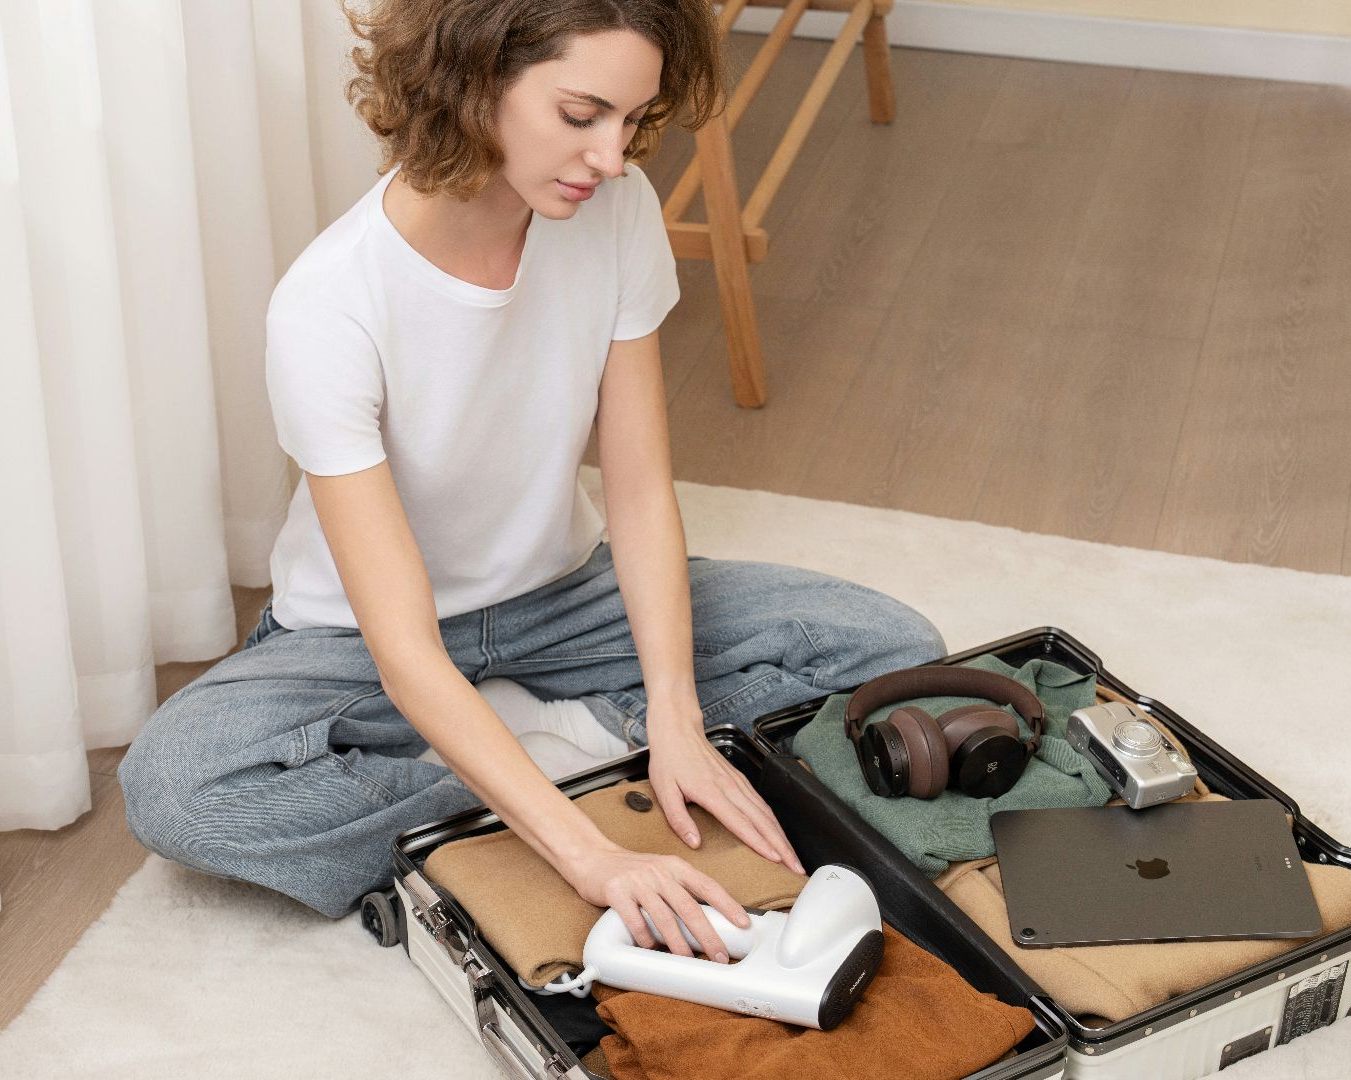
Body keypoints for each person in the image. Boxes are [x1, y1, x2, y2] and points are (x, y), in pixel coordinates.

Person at [117, 0, 944, 967]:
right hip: (356, 641)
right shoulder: (329, 304)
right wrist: (588, 855)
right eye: (582, 115)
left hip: (563, 598)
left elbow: (639, 494)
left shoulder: (617, 211)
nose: (612, 157)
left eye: (631, 120)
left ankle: (565, 750)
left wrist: (676, 713)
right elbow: (404, 650)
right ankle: (535, 791)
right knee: (177, 792)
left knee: (891, 646)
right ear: (475, 77)